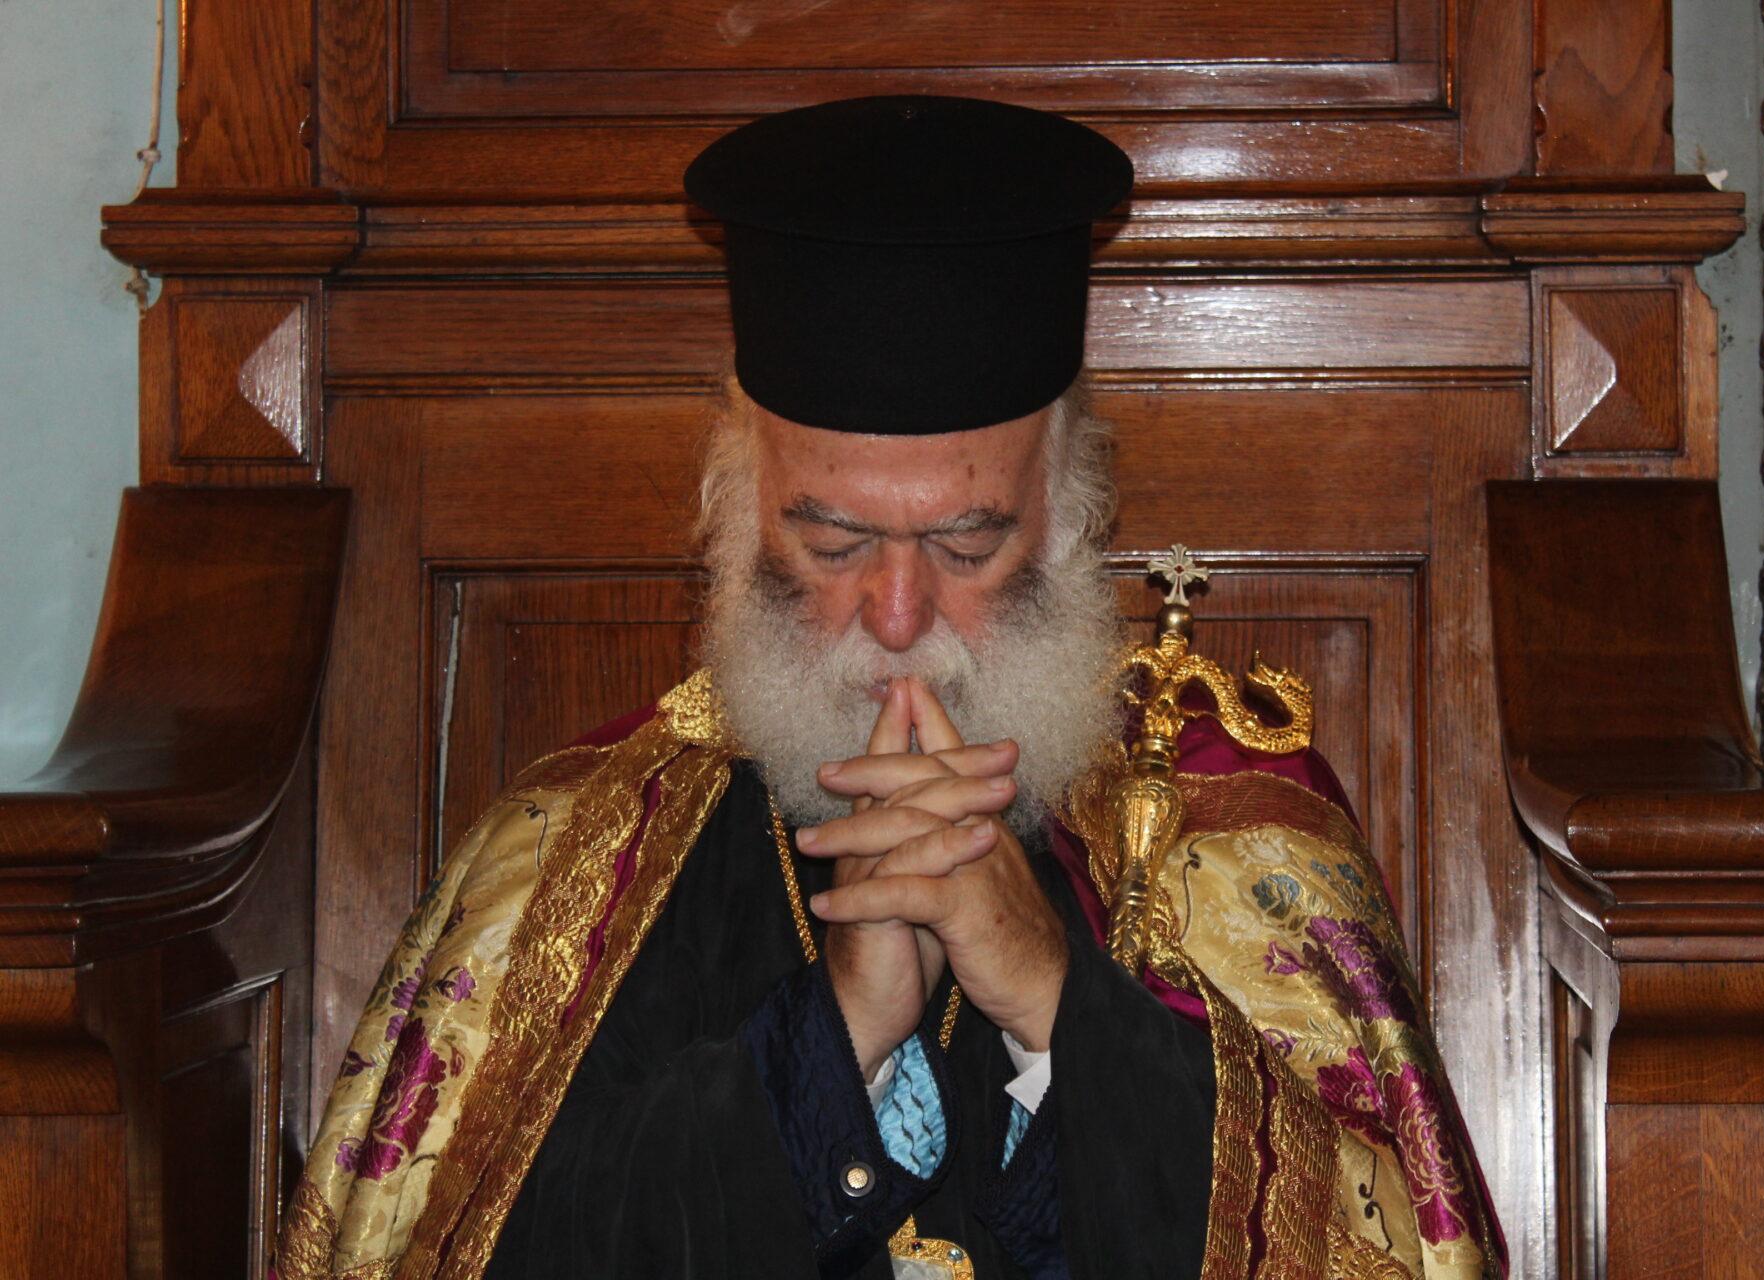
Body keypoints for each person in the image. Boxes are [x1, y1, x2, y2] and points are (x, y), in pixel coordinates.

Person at [274, 96, 1505, 1280]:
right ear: (739, 513)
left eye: (969, 546)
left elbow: (1389, 1249)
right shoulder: (578, 856)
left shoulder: (1224, 825)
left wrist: (1058, 1007)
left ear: (1068, 516)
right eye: (834, 544)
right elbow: (449, 1250)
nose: (900, 618)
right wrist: (832, 1042)